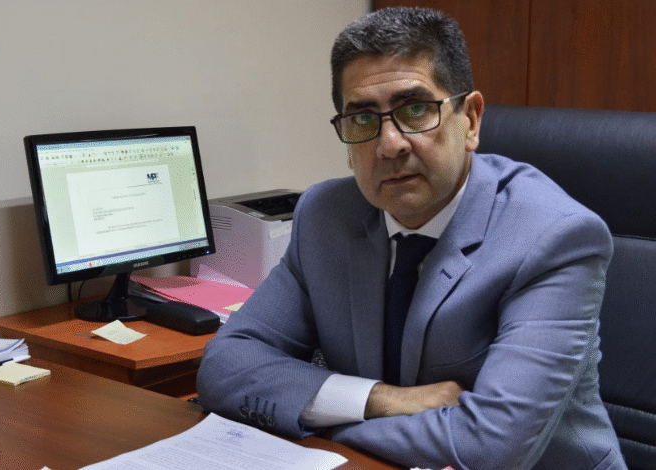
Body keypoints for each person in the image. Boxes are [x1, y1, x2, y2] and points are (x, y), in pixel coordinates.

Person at [196, 6, 626, 470]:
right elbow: (224, 366)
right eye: (363, 119)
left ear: (471, 120)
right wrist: (381, 400)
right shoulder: (326, 216)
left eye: (416, 110)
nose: (389, 145)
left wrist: (314, 417)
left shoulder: (553, 238)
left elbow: (491, 447)